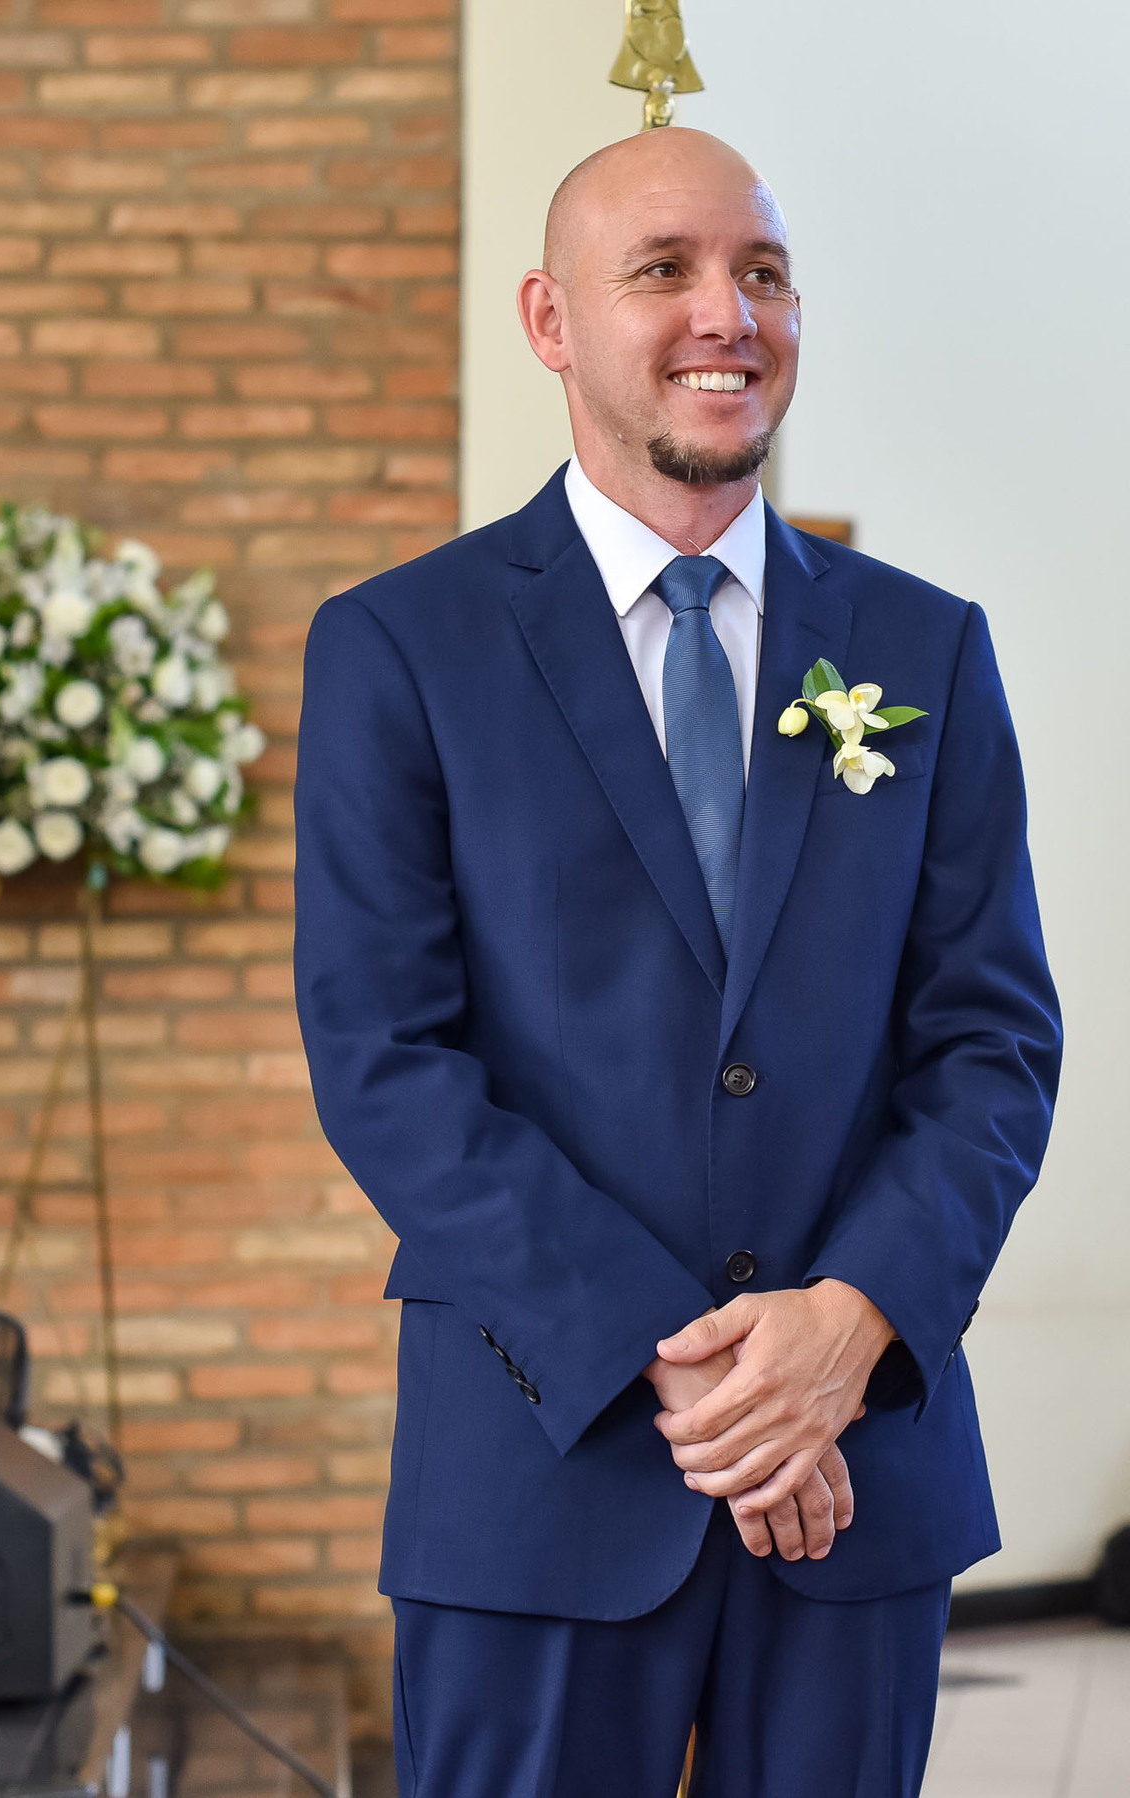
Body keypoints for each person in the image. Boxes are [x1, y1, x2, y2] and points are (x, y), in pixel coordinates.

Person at [294, 129, 1061, 1798]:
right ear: (549, 319)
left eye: (763, 272)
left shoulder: (925, 646)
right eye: (665, 270)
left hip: (859, 1465)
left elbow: (994, 1044)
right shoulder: (400, 646)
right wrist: (686, 1354)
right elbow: (385, 1059)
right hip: (543, 1463)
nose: (729, 313)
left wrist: (849, 1327)